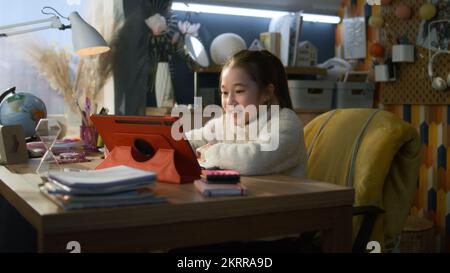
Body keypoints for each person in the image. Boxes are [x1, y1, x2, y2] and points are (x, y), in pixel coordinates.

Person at [185, 49, 307, 178]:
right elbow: (192, 140)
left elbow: (253, 160)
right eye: (225, 93)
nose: (229, 102)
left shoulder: (286, 123)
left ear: (267, 93)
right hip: (245, 195)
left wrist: (211, 152)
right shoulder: (226, 122)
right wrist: (168, 141)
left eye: (239, 91)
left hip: (284, 197)